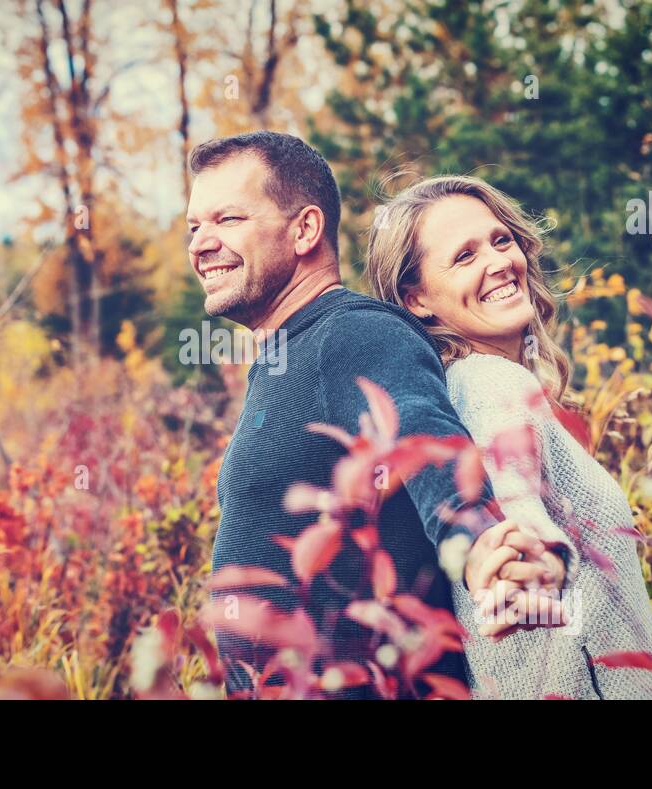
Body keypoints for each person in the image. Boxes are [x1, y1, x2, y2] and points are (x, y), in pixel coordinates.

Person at [185, 132, 569, 699]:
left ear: (305, 230)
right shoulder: (288, 353)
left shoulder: (353, 333)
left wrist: (480, 541)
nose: (201, 244)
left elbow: (422, 431)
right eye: (194, 227)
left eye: (228, 219)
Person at [365, 173, 652, 699]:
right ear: (416, 299)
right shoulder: (490, 382)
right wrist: (526, 555)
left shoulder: (456, 391)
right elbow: (512, 494)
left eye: (500, 239)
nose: (499, 262)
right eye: (464, 256)